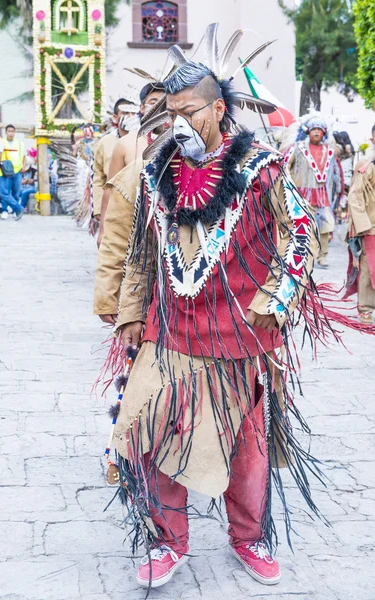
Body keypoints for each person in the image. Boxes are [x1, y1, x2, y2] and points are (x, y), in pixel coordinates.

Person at [101, 25, 330, 590]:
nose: (176, 124)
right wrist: (131, 313)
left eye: (189, 111)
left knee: (246, 449)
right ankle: (165, 541)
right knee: (158, 438)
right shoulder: (159, 176)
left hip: (240, 340)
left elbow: (301, 234)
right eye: (168, 113)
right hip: (170, 334)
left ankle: (249, 538)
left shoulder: (262, 168)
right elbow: (141, 253)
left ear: (220, 108)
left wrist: (275, 299)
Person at [96, 82, 166, 247]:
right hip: (131, 228)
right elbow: (109, 188)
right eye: (154, 101)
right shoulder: (124, 144)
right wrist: (103, 230)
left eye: (166, 101)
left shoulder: (182, 142)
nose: (160, 106)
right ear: (141, 108)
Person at [285, 116, 344, 268]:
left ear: (324, 133)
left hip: (321, 194)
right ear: (308, 132)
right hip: (301, 193)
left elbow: (337, 174)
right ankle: (303, 254)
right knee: (301, 224)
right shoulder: (297, 148)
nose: (316, 132)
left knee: (326, 225)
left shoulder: (329, 151)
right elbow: (285, 167)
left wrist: (339, 193)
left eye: (319, 130)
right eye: (314, 129)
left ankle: (322, 256)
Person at [345, 130, 375, 324]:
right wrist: (363, 225)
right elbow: (355, 197)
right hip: (372, 225)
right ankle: (366, 307)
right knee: (369, 266)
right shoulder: (367, 167)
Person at [93, 98, 138, 226]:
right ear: (115, 117)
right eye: (125, 113)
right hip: (112, 203)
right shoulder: (104, 142)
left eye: (133, 113)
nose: (130, 117)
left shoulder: (144, 140)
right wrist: (98, 207)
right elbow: (98, 177)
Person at [3, 124, 26, 212]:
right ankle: (4, 210)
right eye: (9, 131)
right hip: (6, 172)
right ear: (6, 132)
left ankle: (15, 211)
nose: (11, 133)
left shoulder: (20, 144)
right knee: (6, 192)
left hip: (17, 172)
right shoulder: (2, 142)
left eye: (12, 131)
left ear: (15, 132)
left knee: (16, 193)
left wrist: (23, 167)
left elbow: (24, 157)